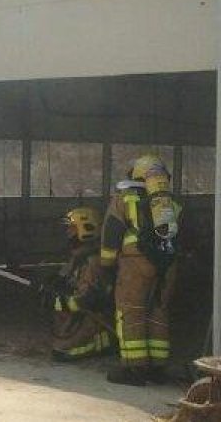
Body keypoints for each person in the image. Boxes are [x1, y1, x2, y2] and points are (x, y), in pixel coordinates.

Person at [100, 154, 182, 386]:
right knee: (158, 312)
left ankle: (133, 369)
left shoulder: (124, 199)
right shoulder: (171, 204)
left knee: (131, 312)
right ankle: (157, 368)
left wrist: (106, 266)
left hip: (135, 264)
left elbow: (111, 234)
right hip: (167, 264)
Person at [47, 206, 116, 362]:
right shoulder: (78, 257)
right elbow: (67, 281)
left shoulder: (93, 261)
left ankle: (99, 342)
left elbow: (87, 300)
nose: (68, 233)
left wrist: (58, 301)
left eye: (72, 228)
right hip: (80, 312)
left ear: (87, 230)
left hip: (94, 315)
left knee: (61, 350)